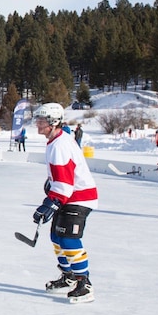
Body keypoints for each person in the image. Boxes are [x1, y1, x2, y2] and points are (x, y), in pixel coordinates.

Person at [31, 103, 98, 303]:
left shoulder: (60, 145)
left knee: (68, 240)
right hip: (67, 197)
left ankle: (83, 283)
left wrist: (51, 202)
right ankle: (68, 277)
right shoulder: (57, 139)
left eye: (41, 121)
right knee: (55, 237)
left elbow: (65, 182)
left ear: (53, 123)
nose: (37, 124)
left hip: (79, 198)